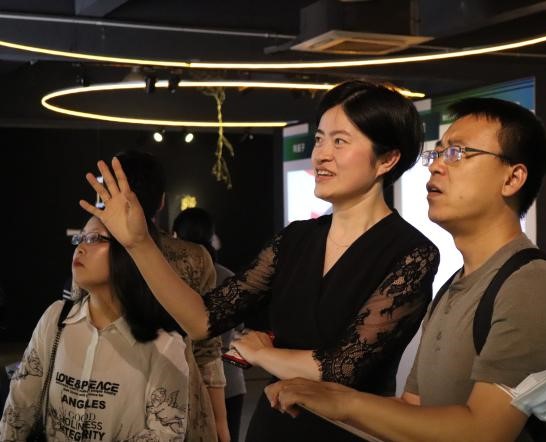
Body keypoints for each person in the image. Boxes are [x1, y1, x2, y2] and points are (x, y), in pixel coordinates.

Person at [79, 80, 440, 441]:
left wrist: (262, 355)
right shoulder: (295, 238)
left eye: (340, 141)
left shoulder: (412, 253)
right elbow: (202, 320)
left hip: (349, 434)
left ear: (387, 159)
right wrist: (139, 243)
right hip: (273, 426)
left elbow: (341, 368)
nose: (321, 155)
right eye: (319, 140)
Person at [265, 97, 546, 442]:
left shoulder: (533, 285)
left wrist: (345, 402)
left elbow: (484, 432)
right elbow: (414, 410)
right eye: (437, 154)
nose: (436, 167)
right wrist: (321, 398)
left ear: (512, 178)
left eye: (458, 153)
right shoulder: (455, 286)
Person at [0, 216, 189, 441]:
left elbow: (165, 433)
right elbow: (20, 402)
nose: (79, 248)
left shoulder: (163, 343)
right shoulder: (56, 318)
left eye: (93, 238)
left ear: (131, 251)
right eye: (80, 238)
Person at [110, 151, 230, 442]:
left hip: (109, 396)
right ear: (162, 200)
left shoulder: (96, 253)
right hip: (180, 400)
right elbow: (207, 349)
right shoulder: (195, 257)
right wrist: (220, 422)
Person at [172, 207, 246, 442]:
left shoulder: (169, 281)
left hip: (187, 381)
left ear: (176, 237)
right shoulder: (228, 277)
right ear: (211, 236)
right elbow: (239, 329)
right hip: (231, 383)